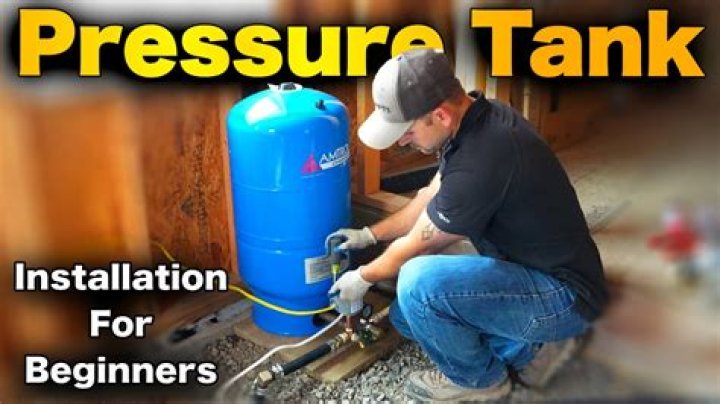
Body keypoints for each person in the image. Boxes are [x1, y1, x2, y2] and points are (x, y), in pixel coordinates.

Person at [328, 48, 608, 402]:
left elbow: (419, 243)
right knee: (405, 318)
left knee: (417, 286)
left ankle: (482, 380)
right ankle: (530, 348)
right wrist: (369, 234)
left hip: (564, 297)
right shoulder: (478, 121)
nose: (401, 141)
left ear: (440, 115)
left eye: (407, 131)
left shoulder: (483, 158)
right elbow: (427, 199)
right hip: (534, 272)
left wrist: (362, 277)